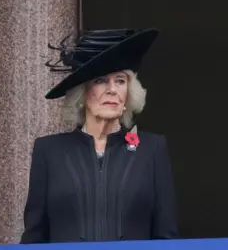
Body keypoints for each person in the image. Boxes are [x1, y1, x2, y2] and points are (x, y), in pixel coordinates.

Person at [20, 28, 178, 243]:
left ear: (128, 93)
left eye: (120, 81)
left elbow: (166, 235)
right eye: (101, 80)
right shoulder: (49, 151)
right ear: (83, 93)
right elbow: (34, 236)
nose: (112, 89)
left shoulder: (152, 149)